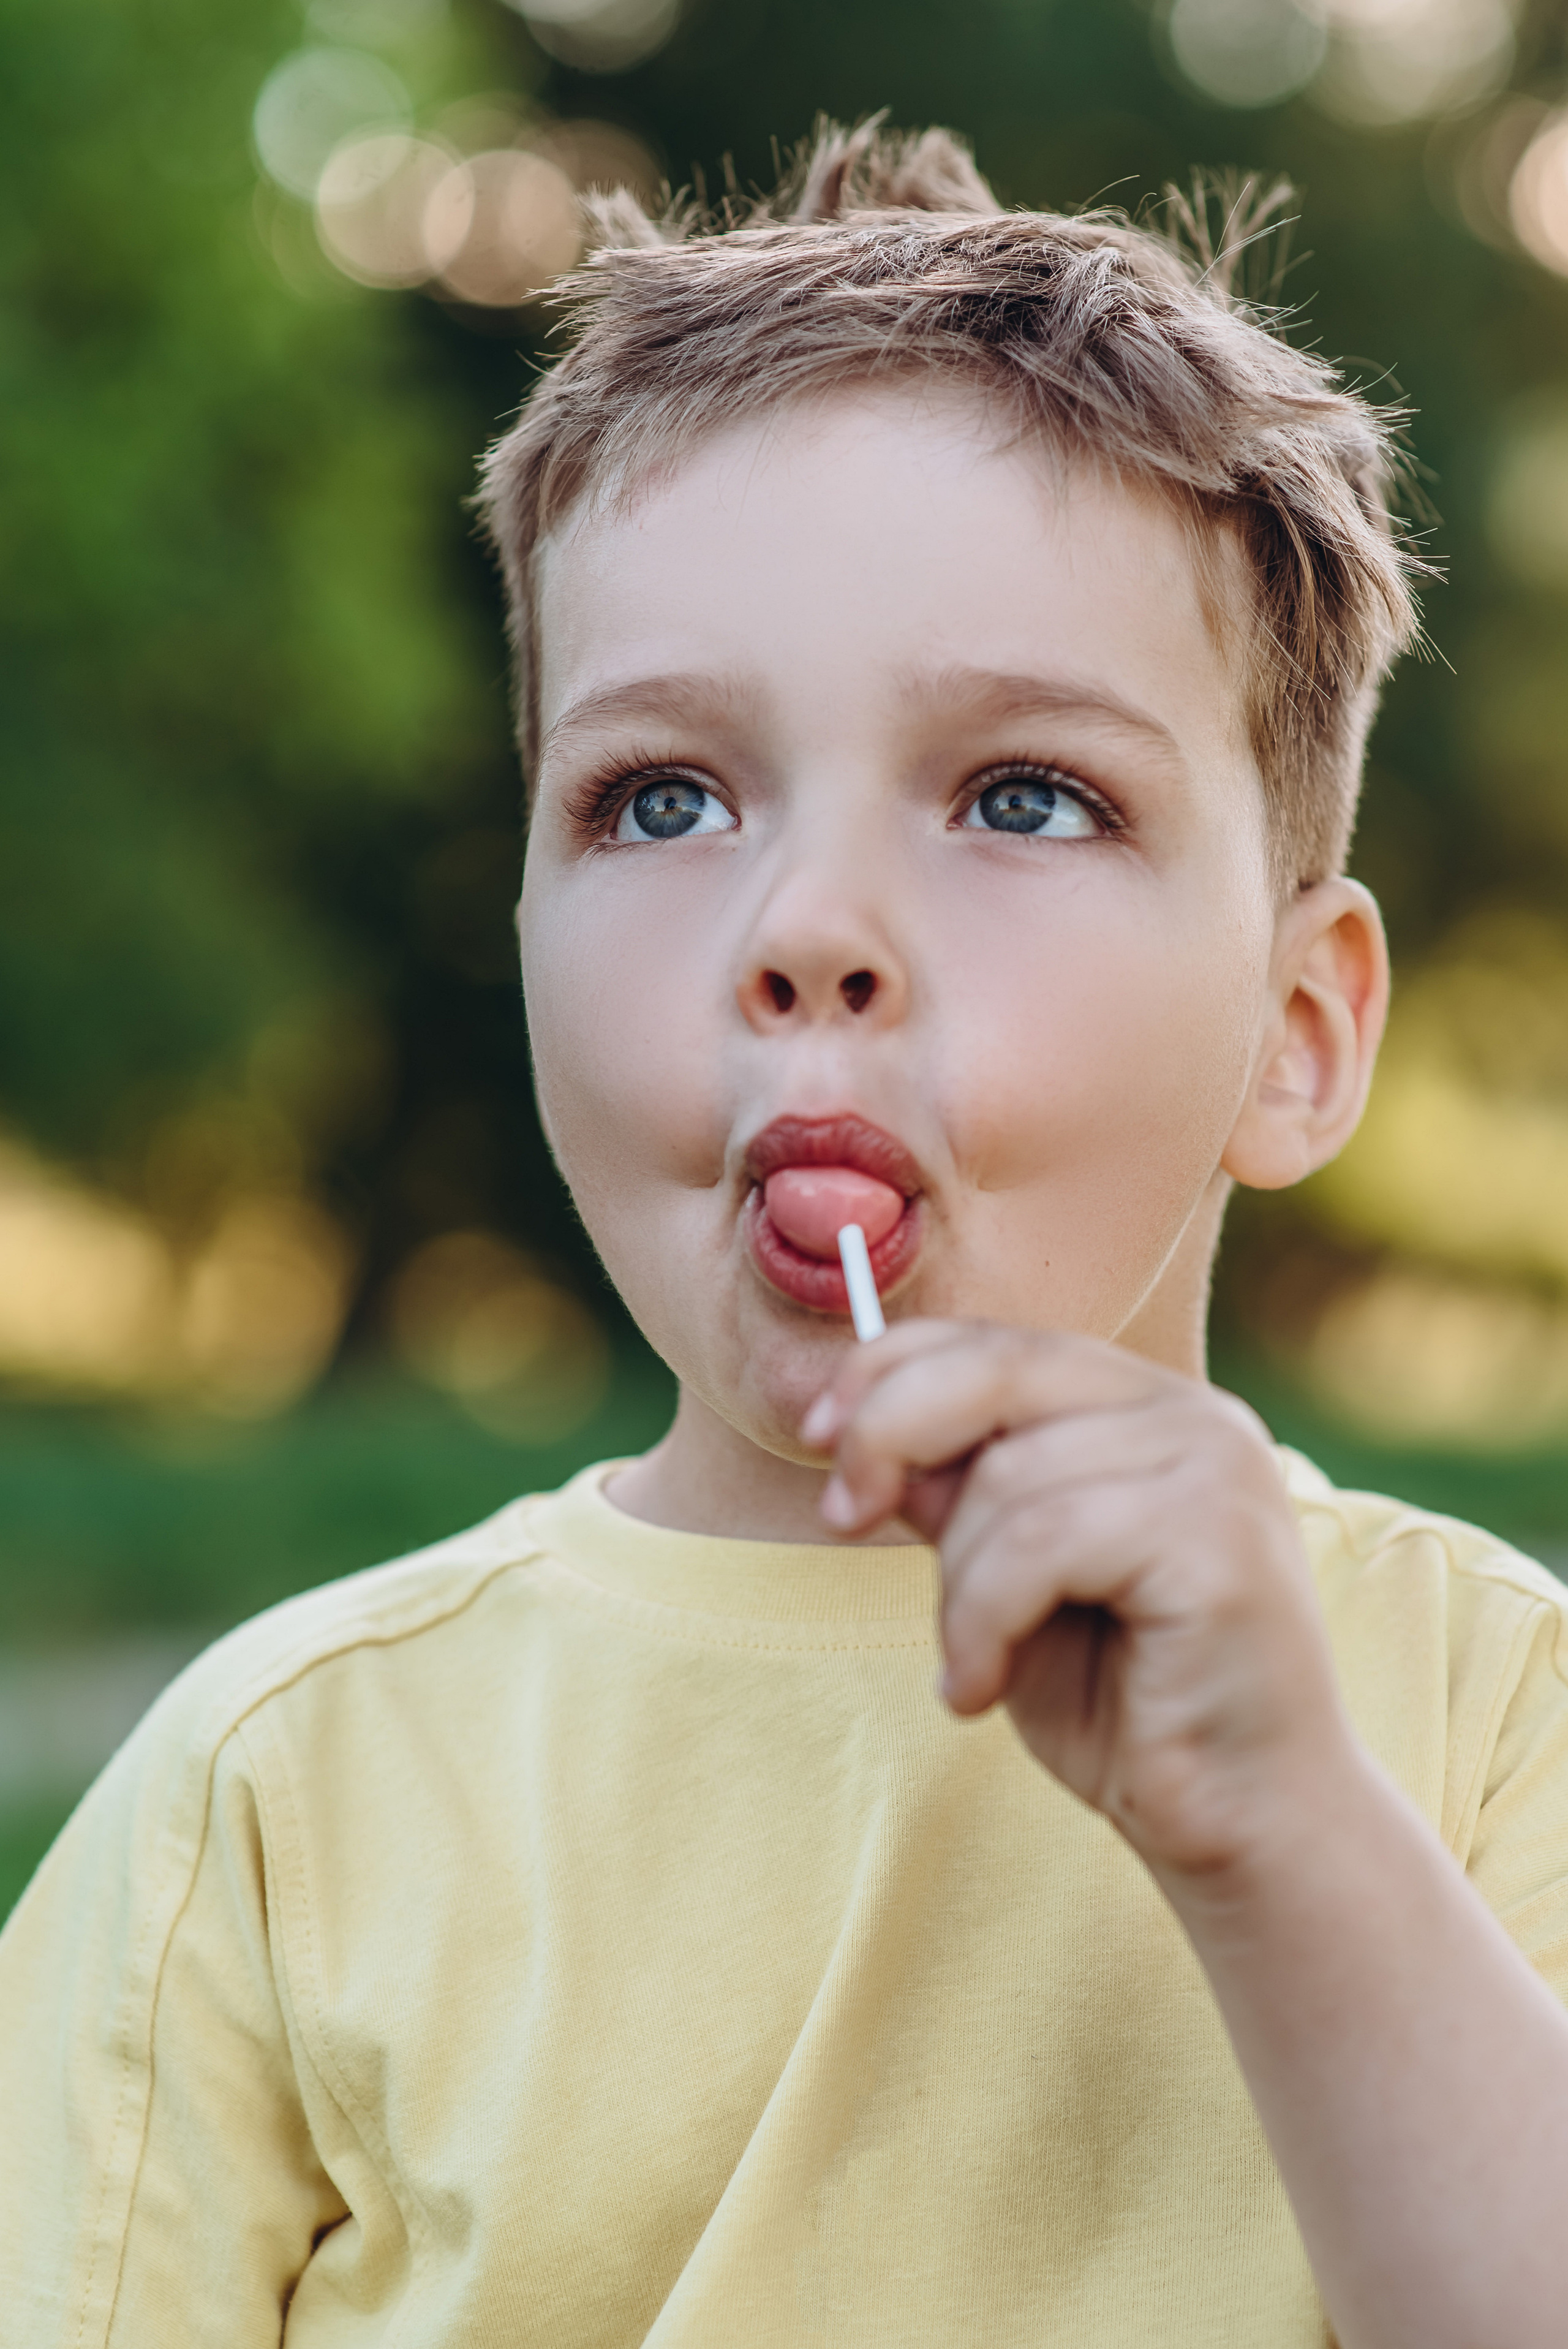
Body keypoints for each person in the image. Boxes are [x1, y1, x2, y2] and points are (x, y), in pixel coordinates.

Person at [4, 119, 1567, 2349]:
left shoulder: (1486, 1717)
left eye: (1025, 796)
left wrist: (1294, 1846)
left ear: (1298, 1033)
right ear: (529, 937)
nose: (807, 928)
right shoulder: (276, 1797)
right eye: (663, 798)